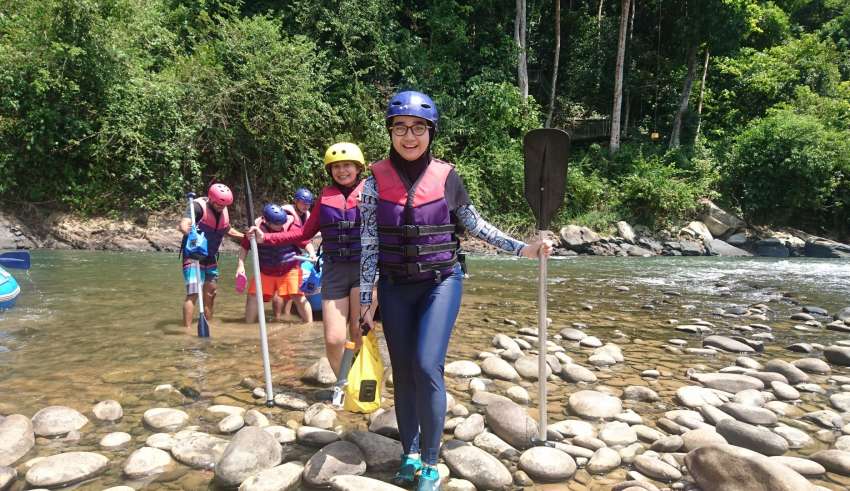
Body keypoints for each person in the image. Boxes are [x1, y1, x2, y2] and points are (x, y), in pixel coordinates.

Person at [358, 91, 553, 491]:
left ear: (431, 133)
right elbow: (369, 244)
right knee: (403, 372)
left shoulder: (447, 177)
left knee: (426, 365)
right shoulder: (373, 183)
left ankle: (431, 462)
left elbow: (476, 225)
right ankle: (410, 454)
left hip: (440, 282)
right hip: (394, 287)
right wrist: (365, 300)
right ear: (390, 132)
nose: (409, 136)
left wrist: (524, 249)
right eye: (400, 128)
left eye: (418, 128)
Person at [250, 142, 377, 376]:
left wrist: (371, 209)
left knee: (359, 330)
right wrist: (265, 237)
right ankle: (343, 382)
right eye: (336, 166)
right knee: (333, 339)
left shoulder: (372, 192)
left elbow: (392, 224)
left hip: (365, 270)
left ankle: (362, 379)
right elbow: (303, 233)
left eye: (347, 165)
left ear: (358, 168)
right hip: (334, 271)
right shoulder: (325, 198)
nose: (342, 171)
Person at [178, 183, 244, 329]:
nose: (221, 207)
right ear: (211, 199)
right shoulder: (197, 207)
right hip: (193, 256)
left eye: (224, 205)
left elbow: (228, 230)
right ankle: (187, 330)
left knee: (211, 293)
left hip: (210, 257)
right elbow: (183, 224)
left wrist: (246, 237)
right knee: (193, 293)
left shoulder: (223, 210)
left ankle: (209, 325)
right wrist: (188, 231)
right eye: (219, 204)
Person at [236, 203, 312, 323]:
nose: (280, 226)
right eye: (277, 224)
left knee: (298, 296)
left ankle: (309, 325)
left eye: (282, 223)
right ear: (267, 221)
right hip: (266, 271)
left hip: (289, 269)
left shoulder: (290, 226)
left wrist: (311, 253)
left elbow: (305, 242)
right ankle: (248, 326)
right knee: (253, 296)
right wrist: (241, 266)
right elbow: (244, 247)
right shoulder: (255, 229)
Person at [280, 188, 318, 320]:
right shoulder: (288, 216)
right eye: (303, 203)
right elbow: (297, 237)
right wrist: (311, 251)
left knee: (291, 289)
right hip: (281, 254)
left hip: (294, 253)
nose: (305, 206)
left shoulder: (306, 215)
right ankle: (282, 316)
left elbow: (306, 235)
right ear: (295, 201)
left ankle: (286, 315)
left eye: (308, 204)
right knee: (284, 290)